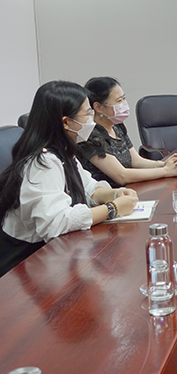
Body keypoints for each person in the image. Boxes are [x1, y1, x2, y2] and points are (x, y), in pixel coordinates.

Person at [0, 81, 139, 277]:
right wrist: (112, 208)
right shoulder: (43, 162)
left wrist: (115, 194)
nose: (92, 120)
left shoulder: (64, 150)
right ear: (66, 122)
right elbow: (55, 224)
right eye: (87, 114)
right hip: (26, 263)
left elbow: (88, 187)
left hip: (55, 254)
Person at [77, 77, 177, 188]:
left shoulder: (117, 126)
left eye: (124, 98)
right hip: (111, 194)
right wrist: (166, 171)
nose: (124, 104)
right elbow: (122, 176)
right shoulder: (91, 136)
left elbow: (136, 161)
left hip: (131, 189)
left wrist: (164, 164)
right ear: (98, 107)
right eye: (119, 101)